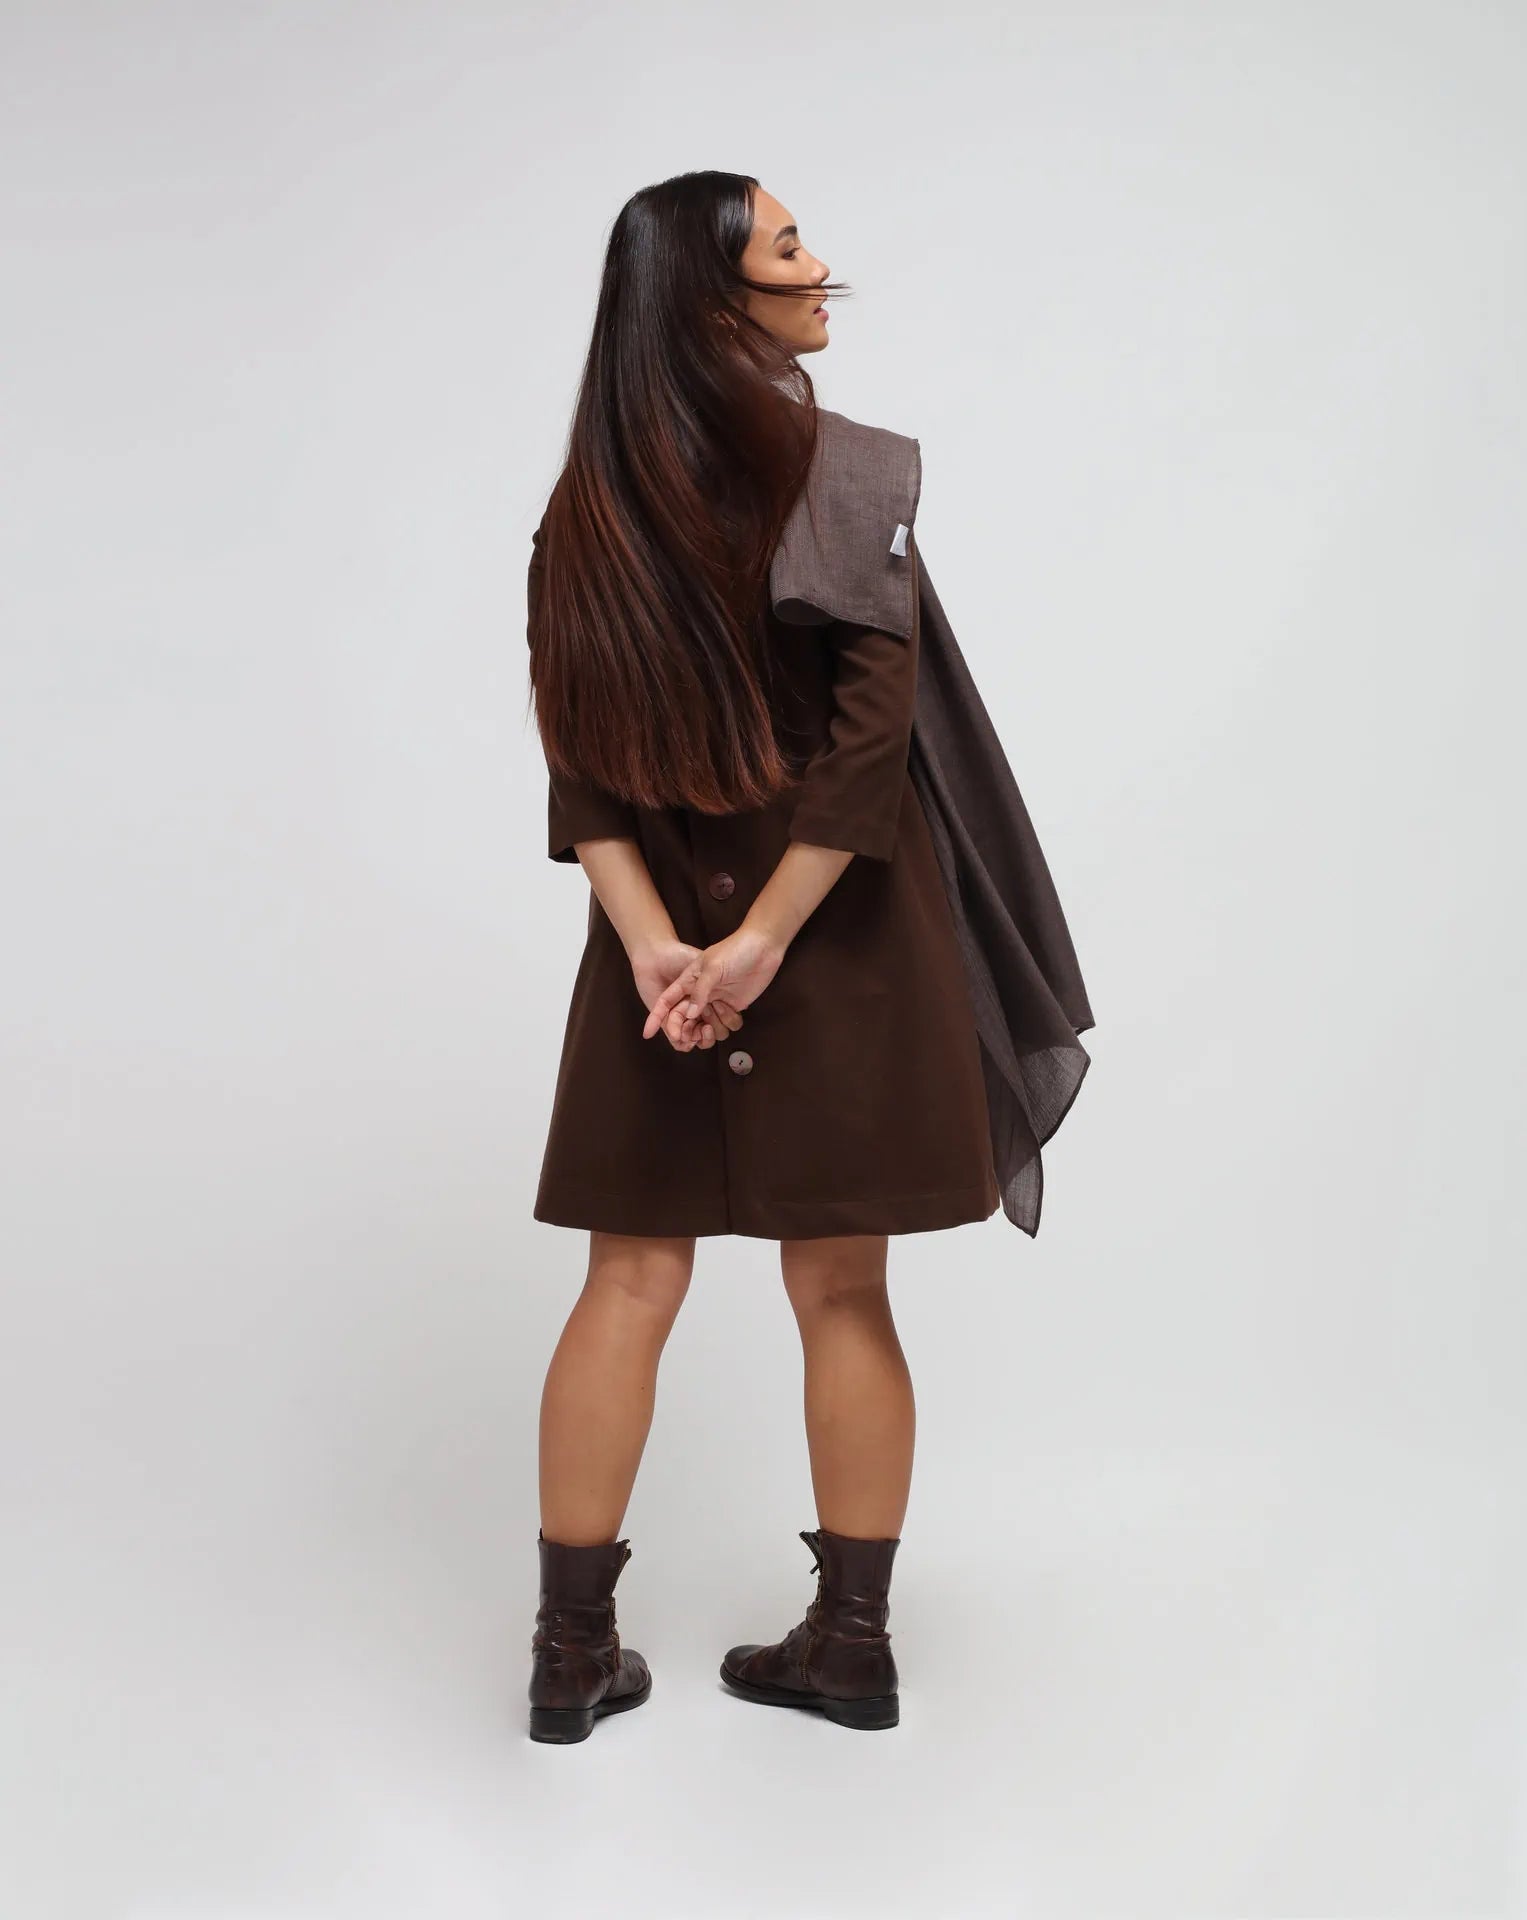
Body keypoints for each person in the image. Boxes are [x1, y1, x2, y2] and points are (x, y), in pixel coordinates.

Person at [522, 171, 1091, 1744]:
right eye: (787, 246)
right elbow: (866, 754)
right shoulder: (851, 481)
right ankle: (851, 1648)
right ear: (717, 301)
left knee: (626, 1280)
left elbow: (582, 775)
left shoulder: (587, 515)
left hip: (658, 961)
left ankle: (568, 1657)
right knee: (843, 1287)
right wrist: (760, 941)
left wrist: (661, 950)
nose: (821, 265)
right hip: (837, 942)